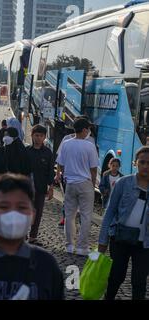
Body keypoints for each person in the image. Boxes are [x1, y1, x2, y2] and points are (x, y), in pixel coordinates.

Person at [98, 147, 149, 300]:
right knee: (116, 277)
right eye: (142, 162)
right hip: (120, 238)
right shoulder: (123, 183)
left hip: (144, 243)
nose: (146, 166)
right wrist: (102, 240)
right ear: (135, 163)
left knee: (139, 282)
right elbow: (110, 212)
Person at [56, 118, 99, 255]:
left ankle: (69, 245)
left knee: (69, 215)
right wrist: (92, 184)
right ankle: (82, 247)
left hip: (70, 183)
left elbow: (60, 164)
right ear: (85, 130)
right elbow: (93, 169)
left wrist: (64, 174)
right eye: (88, 129)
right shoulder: (90, 146)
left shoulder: (66, 144)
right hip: (85, 183)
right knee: (86, 216)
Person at [26, 125, 54, 244]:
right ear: (32, 136)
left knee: (37, 213)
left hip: (41, 188)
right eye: (36, 135)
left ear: (44, 137)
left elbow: (50, 171)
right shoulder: (26, 151)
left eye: (41, 136)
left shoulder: (48, 153)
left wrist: (51, 187)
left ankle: (33, 236)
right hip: (26, 188)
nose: (38, 138)